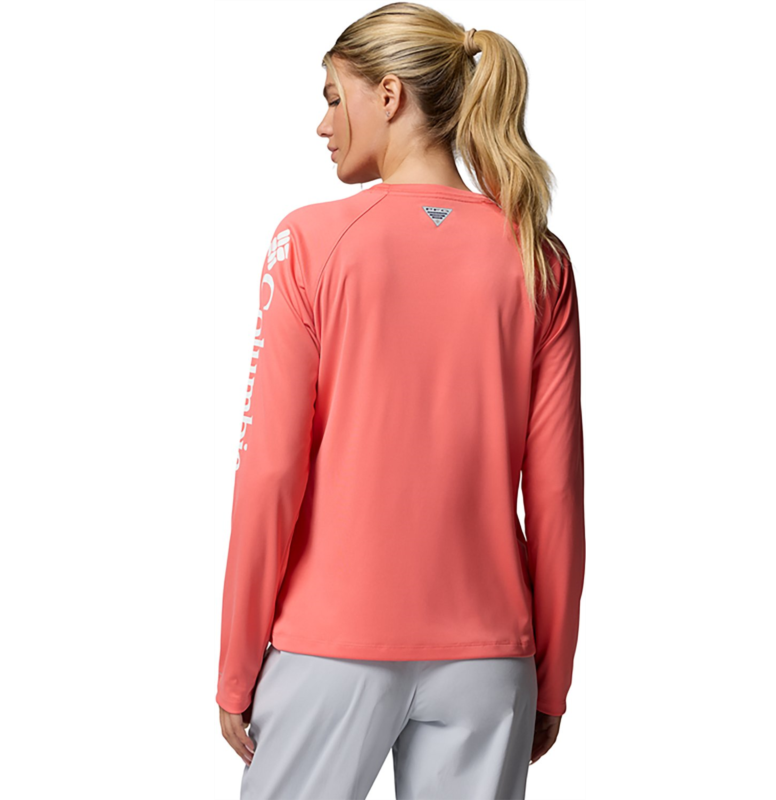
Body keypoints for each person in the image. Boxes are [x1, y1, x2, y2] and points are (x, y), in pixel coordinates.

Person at [217, 3, 585, 799]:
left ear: (388, 95)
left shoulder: (309, 241)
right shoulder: (539, 257)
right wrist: (550, 680)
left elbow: (270, 470)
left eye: (332, 96)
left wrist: (236, 664)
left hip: (329, 650)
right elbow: (557, 494)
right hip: (491, 660)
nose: (322, 125)